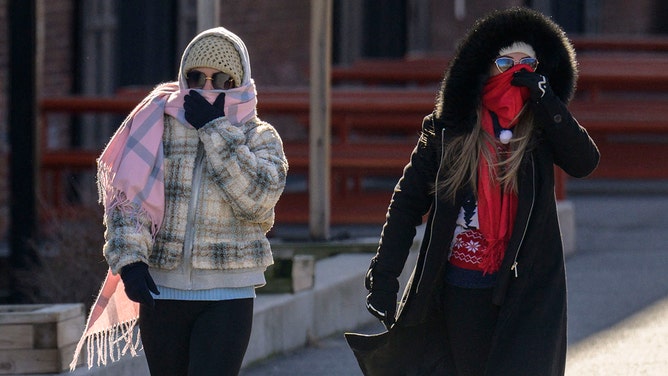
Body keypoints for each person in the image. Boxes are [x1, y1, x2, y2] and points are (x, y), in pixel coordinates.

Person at [345, 7, 599, 376]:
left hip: (526, 293)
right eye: (505, 62)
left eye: (527, 62)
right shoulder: (447, 131)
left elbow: (585, 162)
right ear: (484, 68)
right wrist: (383, 277)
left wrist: (548, 102)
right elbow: (407, 202)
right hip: (462, 288)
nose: (517, 71)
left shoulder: (542, 128)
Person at [71, 27, 288, 375]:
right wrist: (130, 261)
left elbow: (257, 199)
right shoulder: (157, 124)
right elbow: (129, 202)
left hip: (228, 295)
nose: (206, 88)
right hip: (162, 292)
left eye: (220, 79)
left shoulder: (260, 137)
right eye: (196, 77)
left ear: (239, 82)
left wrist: (214, 129)